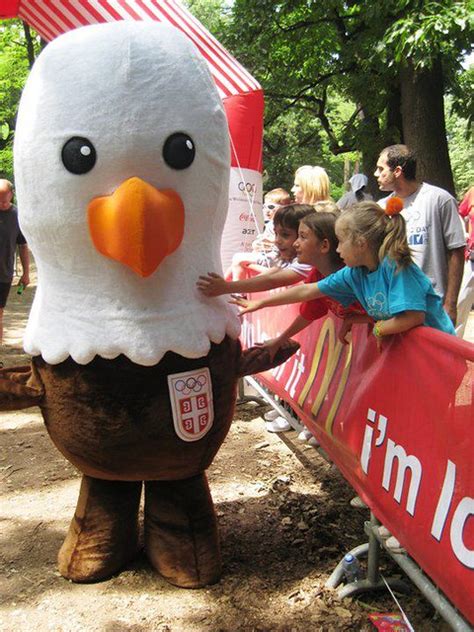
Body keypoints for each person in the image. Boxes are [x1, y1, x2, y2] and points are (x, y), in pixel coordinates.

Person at [232, 198, 456, 342]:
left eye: (340, 241)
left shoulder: (395, 266)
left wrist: (378, 330)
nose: (337, 249)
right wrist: (260, 303)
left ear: (360, 243)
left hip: (440, 357)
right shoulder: (355, 272)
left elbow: (413, 317)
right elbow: (308, 291)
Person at [374, 144, 465, 325]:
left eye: (381, 169)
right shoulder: (381, 207)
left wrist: (451, 304)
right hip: (397, 306)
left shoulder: (439, 199)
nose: (376, 174)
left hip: (433, 305)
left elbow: (456, 251)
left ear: (398, 171)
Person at [197, 204, 316, 299]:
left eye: (285, 235)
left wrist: (226, 287)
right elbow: (271, 274)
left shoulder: (308, 262)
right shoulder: (289, 259)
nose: (277, 241)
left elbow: (272, 281)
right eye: (276, 234)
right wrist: (226, 289)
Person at [227, 188, 291, 281]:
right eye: (264, 207)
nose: (267, 210)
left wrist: (270, 243)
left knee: (238, 258)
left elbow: (279, 246)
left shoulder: (281, 224)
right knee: (236, 260)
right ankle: (226, 284)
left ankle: (237, 292)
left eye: (271, 207)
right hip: (269, 257)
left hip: (275, 259)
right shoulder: (271, 223)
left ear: (284, 208)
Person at [0, 179, 30, 345]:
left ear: (11, 195)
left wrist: (26, 273)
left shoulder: (18, 216)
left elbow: (23, 246)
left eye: (4, 199)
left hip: (3, 273)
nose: (1, 203)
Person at [456, 186, 474, 338]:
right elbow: (459, 214)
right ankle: (452, 350)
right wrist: (465, 235)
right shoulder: (473, 192)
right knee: (460, 304)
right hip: (472, 259)